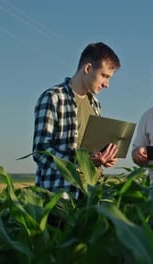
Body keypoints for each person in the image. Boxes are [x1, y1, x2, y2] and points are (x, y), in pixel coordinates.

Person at [32, 42, 121, 198]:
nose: (107, 84)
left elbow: (89, 148)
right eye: (104, 76)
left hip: (89, 194)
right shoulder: (53, 97)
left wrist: (102, 158)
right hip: (59, 195)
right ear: (87, 69)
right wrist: (82, 161)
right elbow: (41, 152)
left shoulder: (95, 104)